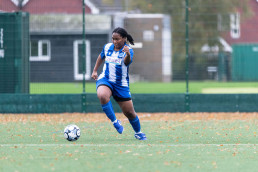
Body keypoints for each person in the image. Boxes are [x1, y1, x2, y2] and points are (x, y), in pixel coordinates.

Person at [91, 27, 147, 140]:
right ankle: (115, 122)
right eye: (113, 39)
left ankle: (138, 132)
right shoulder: (107, 47)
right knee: (102, 95)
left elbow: (127, 63)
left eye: (117, 39)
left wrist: (128, 55)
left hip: (121, 84)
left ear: (124, 39)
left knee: (130, 113)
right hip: (105, 79)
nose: (115, 41)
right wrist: (95, 70)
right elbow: (101, 56)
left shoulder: (128, 50)